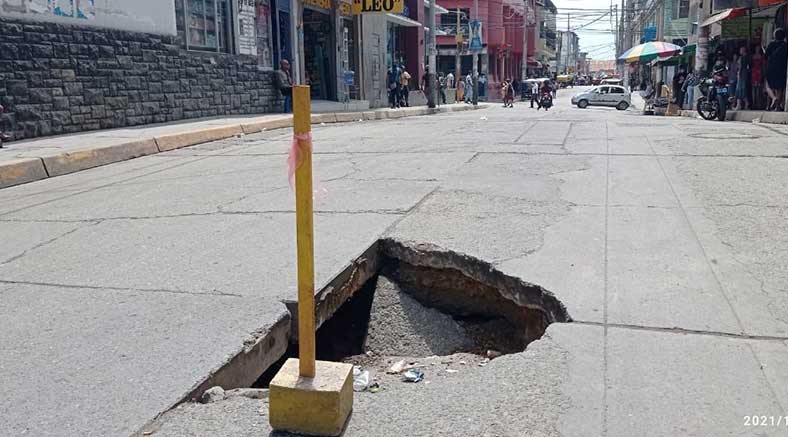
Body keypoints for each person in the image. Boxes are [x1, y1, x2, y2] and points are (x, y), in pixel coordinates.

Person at [765, 28, 787, 111]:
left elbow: (766, 55)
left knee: (768, 85)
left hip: (771, 67)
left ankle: (774, 98)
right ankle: (777, 106)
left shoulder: (771, 44)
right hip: (782, 68)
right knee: (779, 88)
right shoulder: (785, 45)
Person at [734, 46, 751, 110]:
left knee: (739, 89)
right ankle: (743, 104)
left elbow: (740, 66)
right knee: (742, 89)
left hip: (741, 74)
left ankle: (740, 104)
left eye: (741, 50)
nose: (740, 51)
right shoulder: (747, 57)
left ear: (743, 50)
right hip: (745, 74)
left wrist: (739, 73)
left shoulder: (742, 58)